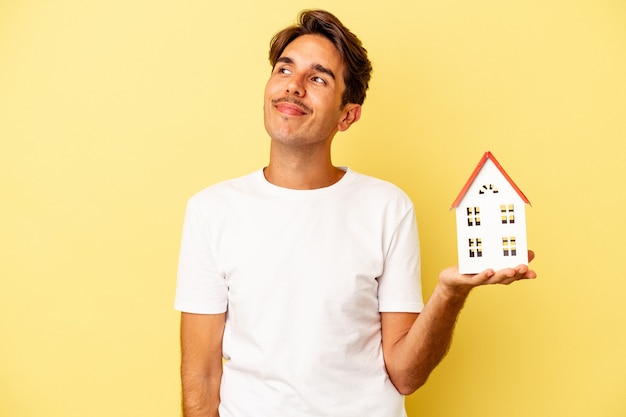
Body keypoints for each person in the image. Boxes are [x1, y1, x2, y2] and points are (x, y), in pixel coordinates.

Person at [174, 9, 536, 417]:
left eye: (317, 78)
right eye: (284, 69)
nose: (293, 86)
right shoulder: (211, 211)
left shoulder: (387, 207)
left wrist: (450, 294)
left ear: (348, 114)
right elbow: (201, 376)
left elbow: (405, 374)